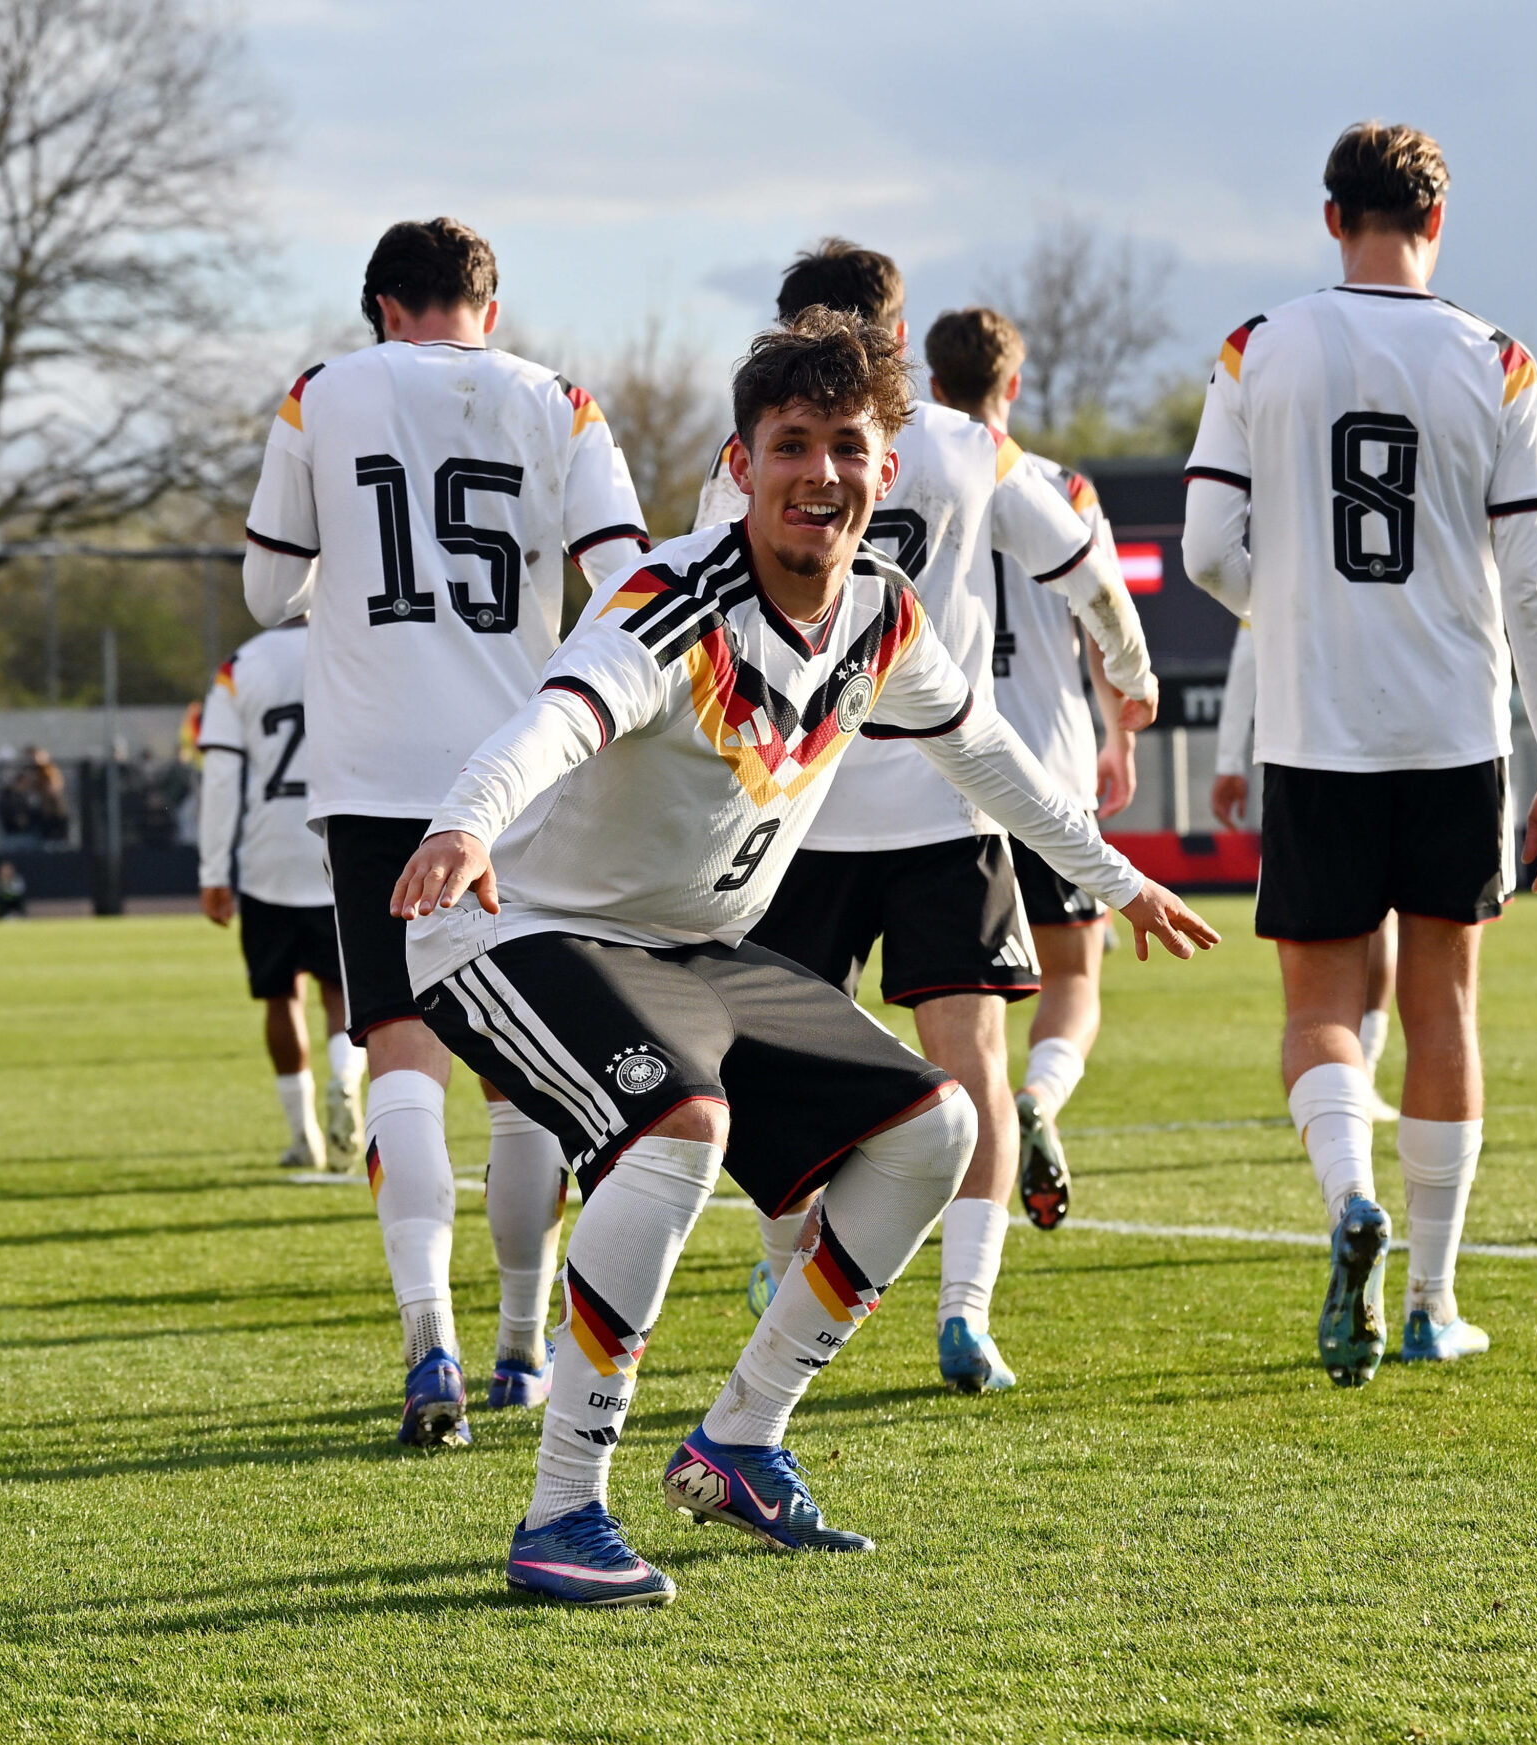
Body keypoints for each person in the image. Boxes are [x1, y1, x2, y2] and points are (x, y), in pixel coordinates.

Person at [392, 309, 1217, 1606]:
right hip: (510, 924)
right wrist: (463, 822)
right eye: (790, 444)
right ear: (742, 463)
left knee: (937, 1128)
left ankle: (740, 1440)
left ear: (885, 470)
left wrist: (1119, 879)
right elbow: (558, 720)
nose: (818, 472)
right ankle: (561, 1511)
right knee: (680, 1124)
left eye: (845, 445)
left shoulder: (882, 616)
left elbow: (990, 757)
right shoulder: (677, 596)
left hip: (691, 948)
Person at [696, 243, 1158, 1394]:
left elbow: (706, 600)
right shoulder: (965, 443)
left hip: (798, 803)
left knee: (772, 1063)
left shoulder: (756, 453)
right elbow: (1087, 568)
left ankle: (787, 1271)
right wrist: (1131, 670)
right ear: (899, 339)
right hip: (947, 806)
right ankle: (967, 1312)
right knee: (975, 1061)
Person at [1181, 120, 1537, 1383]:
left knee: (1319, 1009)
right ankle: (1431, 1297)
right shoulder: (1501, 361)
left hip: (1315, 731)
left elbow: (1204, 551)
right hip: (1455, 732)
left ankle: (1348, 1194)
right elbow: (1535, 592)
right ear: (1436, 220)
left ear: (1330, 217)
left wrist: (1293, 606)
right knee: (1443, 1006)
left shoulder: (1256, 346)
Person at [241, 215, 652, 1447]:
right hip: (518, 772)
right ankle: (524, 1346)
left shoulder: (322, 393)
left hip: (374, 779)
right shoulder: (559, 399)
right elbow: (627, 583)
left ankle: (432, 1341)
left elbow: (267, 590)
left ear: (380, 305)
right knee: (518, 1077)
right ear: (491, 304)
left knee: (401, 1057)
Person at [921, 305, 1159, 1230]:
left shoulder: (912, 474)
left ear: (933, 387)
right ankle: (1039, 1096)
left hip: (943, 775)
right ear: (1012, 385)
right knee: (1074, 977)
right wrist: (1118, 735)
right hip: (1050, 769)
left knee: (947, 1001)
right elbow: (1099, 612)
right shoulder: (1065, 486)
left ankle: (923, 1156)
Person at [1212, 622, 1402, 1122]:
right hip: (1412, 744)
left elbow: (1245, 639)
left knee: (1325, 963)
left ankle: (1353, 1086)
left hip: (1312, 751)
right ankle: (1362, 1072)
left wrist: (1229, 759)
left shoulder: (1284, 566)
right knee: (1417, 953)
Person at [196, 615, 363, 1171]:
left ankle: (303, 1136)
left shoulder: (239, 667)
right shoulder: (356, 639)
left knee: (280, 994)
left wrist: (213, 871)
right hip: (341, 842)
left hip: (269, 855)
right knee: (344, 994)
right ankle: (346, 1081)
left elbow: (221, 777)